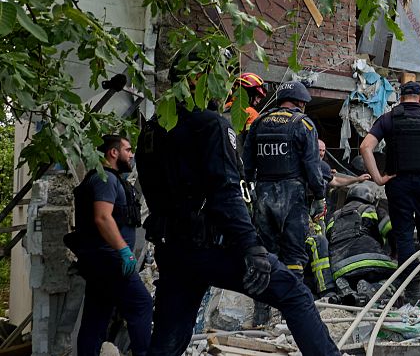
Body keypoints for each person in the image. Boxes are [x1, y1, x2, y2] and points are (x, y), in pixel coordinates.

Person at [136, 54, 337, 356]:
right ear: (196, 79)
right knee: (294, 293)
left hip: (173, 248)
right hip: (214, 246)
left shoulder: (152, 129)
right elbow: (227, 191)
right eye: (217, 78)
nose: (223, 89)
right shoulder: (212, 125)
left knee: (170, 334)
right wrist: (250, 247)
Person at [359, 81, 420, 303]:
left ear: (400, 98)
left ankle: (411, 289)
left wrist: (378, 178)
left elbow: (365, 147)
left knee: (403, 234)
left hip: (398, 182)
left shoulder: (388, 119)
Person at [67, 135, 150, 356]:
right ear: (113, 153)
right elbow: (102, 218)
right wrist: (124, 251)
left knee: (96, 316)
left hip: (98, 261)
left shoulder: (107, 178)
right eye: (128, 150)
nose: (131, 155)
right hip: (109, 259)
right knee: (141, 304)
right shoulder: (105, 179)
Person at [243, 81, 326, 278]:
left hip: (263, 194)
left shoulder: (259, 122)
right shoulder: (303, 124)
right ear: (301, 102)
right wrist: (319, 195)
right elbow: (312, 166)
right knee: (294, 255)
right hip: (293, 196)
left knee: (264, 254)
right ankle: (289, 304)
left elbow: (247, 163)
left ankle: (262, 307)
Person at [326, 184, 396, 305]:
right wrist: (394, 252)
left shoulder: (334, 217)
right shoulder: (371, 209)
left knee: (354, 274)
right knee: (398, 274)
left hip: (340, 266)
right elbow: (391, 230)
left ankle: (349, 289)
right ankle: (375, 288)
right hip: (369, 258)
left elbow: (328, 239)